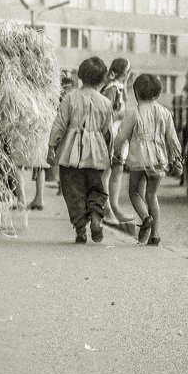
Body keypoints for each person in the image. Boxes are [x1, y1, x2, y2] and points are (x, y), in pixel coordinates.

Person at [47, 56, 113, 244]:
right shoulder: (105, 103)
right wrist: (109, 152)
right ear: (102, 80)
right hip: (97, 153)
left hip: (71, 153)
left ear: (81, 76)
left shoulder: (70, 97)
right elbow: (108, 131)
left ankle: (80, 229)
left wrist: (51, 146)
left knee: (73, 190)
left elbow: (60, 123)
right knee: (97, 188)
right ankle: (96, 216)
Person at [115, 73, 182, 246]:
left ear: (136, 92)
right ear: (157, 94)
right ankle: (156, 235)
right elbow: (172, 138)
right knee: (152, 195)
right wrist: (176, 158)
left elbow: (122, 135)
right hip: (159, 158)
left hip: (139, 158)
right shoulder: (165, 113)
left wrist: (116, 152)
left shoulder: (134, 112)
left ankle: (146, 218)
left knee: (134, 193)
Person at [101, 57, 135, 226]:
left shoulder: (120, 88)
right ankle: (107, 209)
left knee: (117, 170)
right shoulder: (112, 89)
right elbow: (105, 113)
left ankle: (114, 207)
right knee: (108, 171)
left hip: (119, 133)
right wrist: (121, 116)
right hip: (111, 134)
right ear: (125, 73)